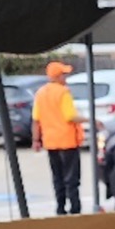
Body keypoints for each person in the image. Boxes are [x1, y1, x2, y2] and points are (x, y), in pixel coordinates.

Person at [33, 60, 84, 216]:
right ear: (57, 76)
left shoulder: (40, 93)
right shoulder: (63, 92)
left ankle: (60, 208)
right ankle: (75, 208)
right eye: (64, 74)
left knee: (58, 177)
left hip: (51, 142)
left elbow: (36, 119)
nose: (66, 77)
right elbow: (70, 116)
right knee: (71, 178)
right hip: (67, 141)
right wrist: (90, 120)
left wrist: (36, 140)